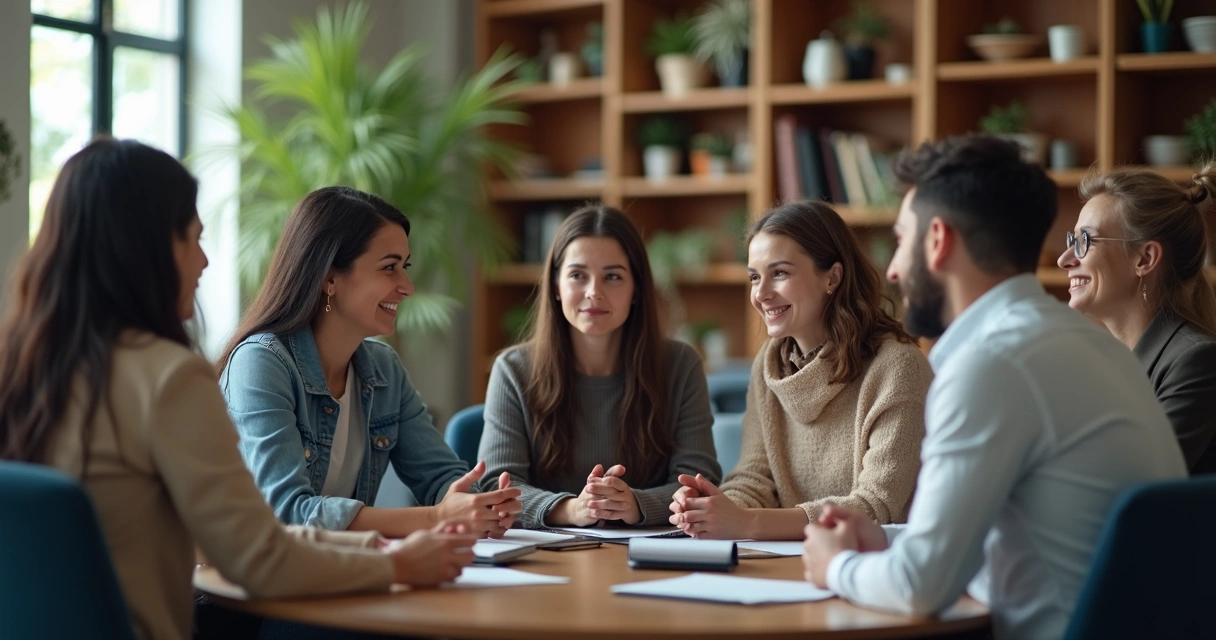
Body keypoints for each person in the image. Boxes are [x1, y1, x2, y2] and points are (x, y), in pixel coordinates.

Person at [0, 139, 476, 640]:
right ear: (146, 249)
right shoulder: (170, 378)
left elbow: (222, 540)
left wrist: (377, 547)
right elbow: (255, 556)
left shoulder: (23, 367)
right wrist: (396, 565)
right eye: (193, 238)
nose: (204, 261)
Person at [800, 134, 1188, 639]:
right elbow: (1001, 540)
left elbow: (922, 586)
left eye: (900, 239)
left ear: (937, 240)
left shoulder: (991, 364)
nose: (892, 269)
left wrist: (834, 566)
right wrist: (888, 541)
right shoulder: (1091, 346)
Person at [217, 186, 520, 539]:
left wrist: (479, 505)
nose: (407, 287)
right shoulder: (260, 363)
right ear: (329, 278)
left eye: (404, 267)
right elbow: (287, 513)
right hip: (252, 572)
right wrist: (437, 516)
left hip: (343, 567)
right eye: (389, 268)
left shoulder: (382, 367)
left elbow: (439, 476)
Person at [668, 201, 932, 540]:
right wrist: (711, 507)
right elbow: (754, 480)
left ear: (832, 277)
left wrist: (747, 523)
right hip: (790, 557)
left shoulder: (898, 367)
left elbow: (877, 506)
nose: (761, 294)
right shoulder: (769, 363)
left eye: (779, 273)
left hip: (871, 561)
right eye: (754, 277)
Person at [478, 205, 721, 528]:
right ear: (556, 286)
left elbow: (698, 481)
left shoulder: (680, 366)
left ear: (636, 289)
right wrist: (572, 510)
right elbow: (497, 486)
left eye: (613, 277)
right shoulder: (513, 369)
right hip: (548, 553)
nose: (594, 292)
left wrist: (635, 504)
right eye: (578, 275)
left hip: (649, 551)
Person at [1057, 164, 1216, 473]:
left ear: (1145, 258)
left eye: (1084, 241)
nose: (1065, 259)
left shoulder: (1196, 361)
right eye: (1071, 241)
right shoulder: (1106, 362)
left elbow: (1125, 478)